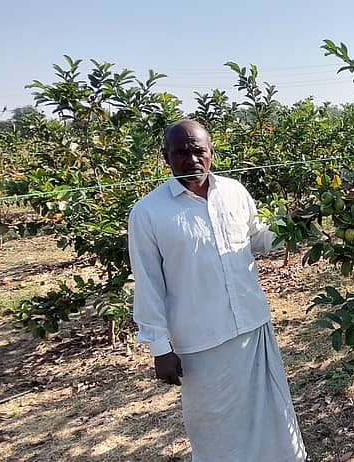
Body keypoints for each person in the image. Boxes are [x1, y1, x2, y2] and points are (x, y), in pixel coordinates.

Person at [128, 119, 307, 462]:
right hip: (201, 340)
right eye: (181, 152)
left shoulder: (234, 192)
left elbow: (258, 238)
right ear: (166, 157)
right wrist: (159, 347)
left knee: (271, 416)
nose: (191, 159)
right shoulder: (149, 212)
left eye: (199, 151)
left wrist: (297, 225)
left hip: (252, 326)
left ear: (211, 152)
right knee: (215, 427)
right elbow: (148, 283)